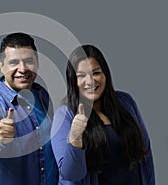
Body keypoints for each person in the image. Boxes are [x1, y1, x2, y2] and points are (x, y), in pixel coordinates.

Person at [51, 44, 155, 184]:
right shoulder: (65, 115)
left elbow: (145, 155)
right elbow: (70, 175)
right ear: (73, 81)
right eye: (82, 76)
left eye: (96, 73)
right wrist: (75, 138)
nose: (90, 81)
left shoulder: (126, 102)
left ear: (105, 74)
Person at [0, 32, 58, 185]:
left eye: (29, 61)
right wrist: (0, 140)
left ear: (37, 63)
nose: (23, 69)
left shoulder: (41, 95)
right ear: (1, 66)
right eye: (14, 62)